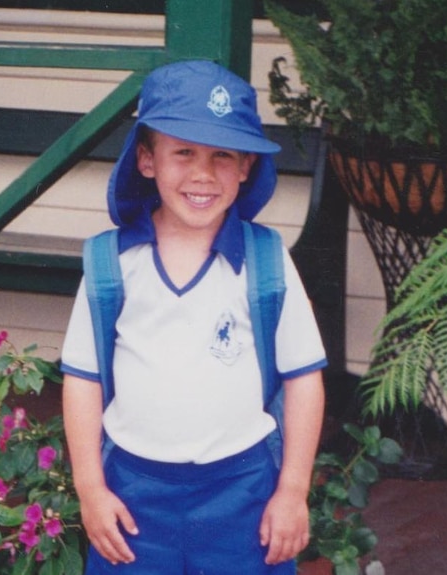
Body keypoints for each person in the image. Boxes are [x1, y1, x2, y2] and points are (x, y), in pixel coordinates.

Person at [60, 60, 326, 575]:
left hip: (243, 494)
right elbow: (82, 380)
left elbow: (304, 380)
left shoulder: (266, 261)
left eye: (222, 155)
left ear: (246, 166)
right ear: (146, 160)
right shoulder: (110, 264)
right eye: (183, 152)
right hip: (135, 499)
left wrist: (292, 490)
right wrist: (90, 488)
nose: (202, 174)